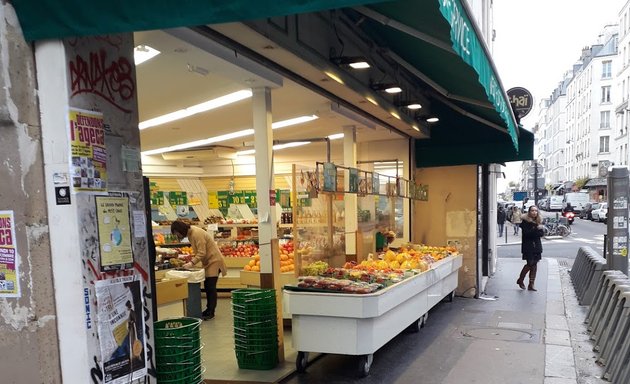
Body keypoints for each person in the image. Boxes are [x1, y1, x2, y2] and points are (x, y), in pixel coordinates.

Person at [171, 220, 227, 320]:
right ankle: (209, 310)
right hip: (208, 262)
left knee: (210, 287)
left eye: (177, 233)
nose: (178, 236)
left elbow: (202, 252)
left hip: (214, 261)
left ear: (180, 230)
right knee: (208, 286)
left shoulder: (196, 233)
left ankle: (211, 311)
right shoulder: (190, 234)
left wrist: (191, 263)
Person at [517, 206, 545, 291]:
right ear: (529, 212)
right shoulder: (525, 222)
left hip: (537, 246)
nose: (534, 212)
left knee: (534, 264)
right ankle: (521, 279)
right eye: (532, 210)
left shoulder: (539, 221)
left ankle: (531, 284)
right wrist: (536, 229)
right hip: (528, 246)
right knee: (530, 263)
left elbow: (541, 234)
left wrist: (537, 230)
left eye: (536, 211)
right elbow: (527, 234)